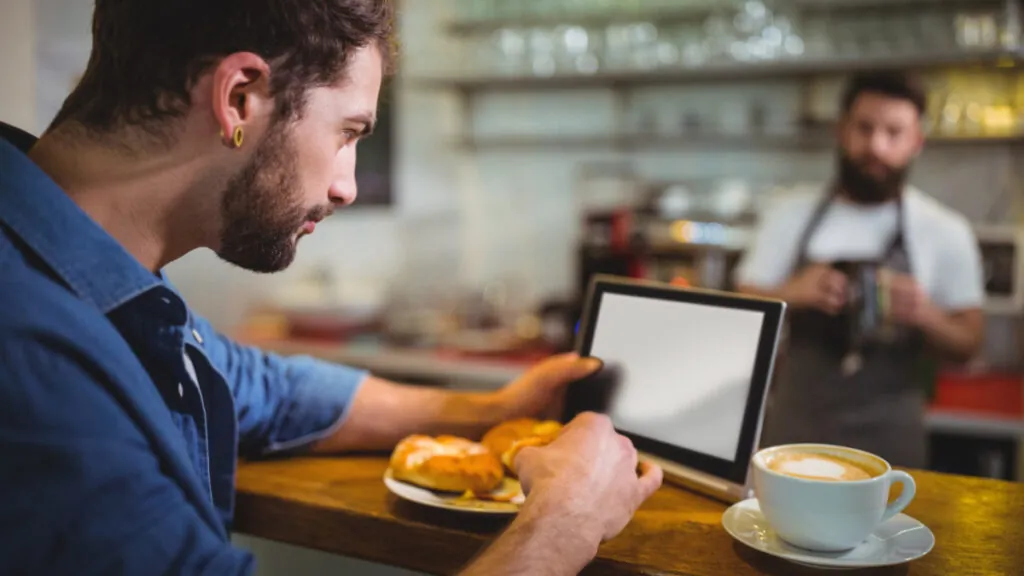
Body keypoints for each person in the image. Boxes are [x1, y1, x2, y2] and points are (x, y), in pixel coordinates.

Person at [0, 1, 663, 574]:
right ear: (239, 99)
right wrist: (563, 523)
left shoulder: (88, 282)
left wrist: (489, 409)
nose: (346, 185)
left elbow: (267, 389)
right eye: (348, 132)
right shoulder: (33, 354)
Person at [734, 70, 985, 469]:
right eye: (864, 128)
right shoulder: (788, 214)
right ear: (841, 130)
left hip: (892, 437)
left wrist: (924, 314)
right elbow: (738, 311)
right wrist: (793, 291)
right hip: (795, 429)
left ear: (916, 141)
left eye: (894, 132)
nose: (876, 146)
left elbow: (970, 343)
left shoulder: (945, 230)